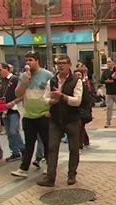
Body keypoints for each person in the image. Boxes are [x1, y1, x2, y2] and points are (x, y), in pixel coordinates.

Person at [37, 55, 83, 187]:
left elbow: (77, 101)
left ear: (69, 65)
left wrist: (62, 96)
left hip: (72, 120)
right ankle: (50, 178)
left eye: (63, 63)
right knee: (52, 148)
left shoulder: (76, 80)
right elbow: (44, 98)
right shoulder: (52, 80)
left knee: (73, 149)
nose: (61, 66)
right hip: (55, 120)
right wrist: (51, 101)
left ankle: (71, 175)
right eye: (58, 63)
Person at [11, 51, 54, 178]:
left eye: (30, 60)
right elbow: (18, 94)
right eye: (26, 60)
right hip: (28, 115)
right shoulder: (24, 76)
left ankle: (49, 166)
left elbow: (53, 92)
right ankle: (23, 169)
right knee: (29, 142)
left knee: (47, 142)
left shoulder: (47, 75)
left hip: (43, 114)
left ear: (37, 60)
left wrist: (50, 110)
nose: (28, 63)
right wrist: (25, 81)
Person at [0, 62, 25, 162]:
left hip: (14, 109)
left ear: (6, 69)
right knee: (9, 133)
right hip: (4, 110)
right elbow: (1, 94)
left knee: (14, 131)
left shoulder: (15, 79)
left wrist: (13, 103)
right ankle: (15, 152)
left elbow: (22, 94)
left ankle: (23, 150)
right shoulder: (1, 82)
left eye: (0, 70)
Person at [101, 57, 116, 128]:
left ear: (113, 62)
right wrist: (107, 81)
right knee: (109, 107)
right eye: (107, 62)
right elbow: (102, 80)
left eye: (109, 62)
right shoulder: (105, 72)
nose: (108, 63)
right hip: (109, 93)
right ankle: (108, 121)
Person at [74, 68, 93, 149]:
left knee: (80, 127)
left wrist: (87, 109)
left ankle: (79, 144)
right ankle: (85, 140)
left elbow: (86, 99)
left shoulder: (84, 85)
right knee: (80, 126)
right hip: (75, 109)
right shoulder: (72, 84)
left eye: (79, 75)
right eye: (75, 75)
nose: (77, 77)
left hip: (83, 109)